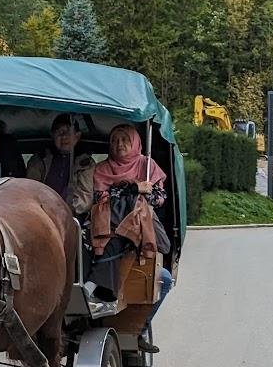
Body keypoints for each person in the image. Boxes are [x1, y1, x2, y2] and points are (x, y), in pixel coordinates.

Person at [92, 123, 170, 352]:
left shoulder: (147, 166)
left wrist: (137, 192)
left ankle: (140, 329)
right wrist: (135, 187)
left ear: (136, 142)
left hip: (140, 233)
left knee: (163, 280)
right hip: (108, 230)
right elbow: (101, 198)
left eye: (125, 140)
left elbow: (158, 198)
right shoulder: (101, 169)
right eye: (115, 140)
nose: (119, 145)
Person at [27, 113, 95, 215]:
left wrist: (64, 212)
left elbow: (84, 199)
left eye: (69, 131)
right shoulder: (39, 160)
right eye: (59, 132)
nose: (64, 136)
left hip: (71, 216)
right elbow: (30, 190)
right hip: (41, 213)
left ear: (77, 136)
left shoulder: (85, 163)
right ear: (52, 135)